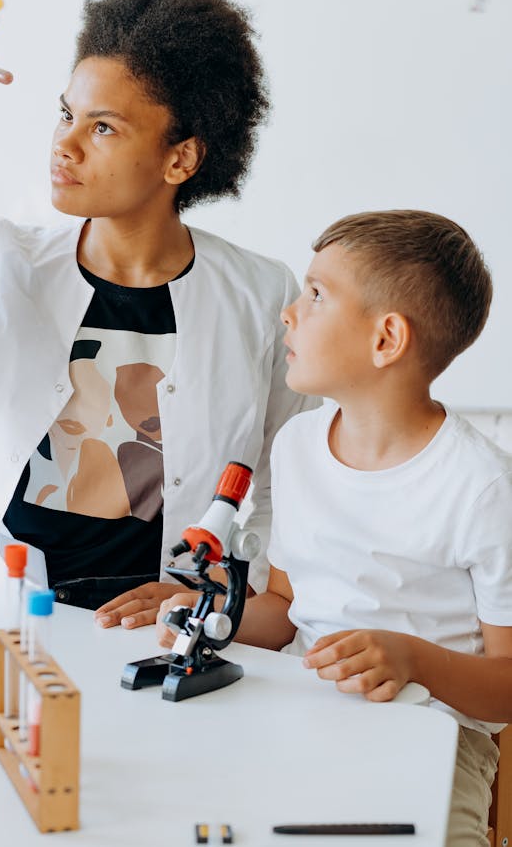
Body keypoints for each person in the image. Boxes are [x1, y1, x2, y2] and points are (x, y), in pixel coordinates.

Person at [0, 0, 313, 627]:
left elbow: (284, 483)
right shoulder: (12, 260)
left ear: (181, 159)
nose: (64, 144)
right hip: (0, 611)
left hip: (160, 630)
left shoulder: (262, 294)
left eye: (104, 128)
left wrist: (220, 605)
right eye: (67, 114)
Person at [157, 209, 512, 846]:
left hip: (437, 736)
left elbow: (509, 688)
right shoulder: (296, 446)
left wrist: (413, 660)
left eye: (317, 295)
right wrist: (209, 611)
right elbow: (288, 609)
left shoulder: (483, 486)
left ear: (386, 340)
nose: (289, 313)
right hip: (301, 708)